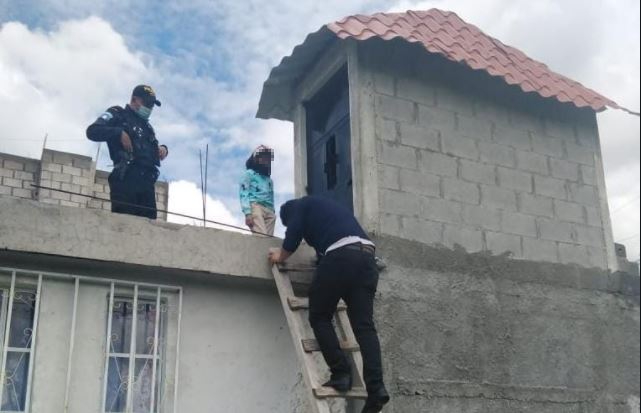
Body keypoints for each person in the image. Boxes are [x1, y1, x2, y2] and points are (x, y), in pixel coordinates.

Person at [268, 196, 389, 413]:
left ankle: (341, 374)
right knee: (364, 327)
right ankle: (377, 389)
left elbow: (293, 236)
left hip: (341, 257)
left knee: (320, 316)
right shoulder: (327, 211)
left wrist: (280, 254)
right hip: (368, 258)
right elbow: (329, 243)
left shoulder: (298, 207)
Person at [86, 85, 168, 219]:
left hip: (146, 186)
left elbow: (153, 148)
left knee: (149, 231)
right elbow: (92, 131)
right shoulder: (118, 114)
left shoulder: (147, 128)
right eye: (147, 103)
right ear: (135, 99)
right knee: (124, 226)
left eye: (152, 106)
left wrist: (163, 149)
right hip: (125, 181)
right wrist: (119, 133)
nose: (149, 108)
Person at [240, 145, 275, 236]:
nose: (266, 160)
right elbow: (244, 193)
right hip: (256, 206)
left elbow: (271, 197)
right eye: (263, 157)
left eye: (268, 158)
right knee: (261, 236)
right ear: (256, 159)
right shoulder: (249, 174)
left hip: (269, 210)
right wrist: (248, 213)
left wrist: (273, 211)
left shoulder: (269, 180)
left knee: (268, 239)